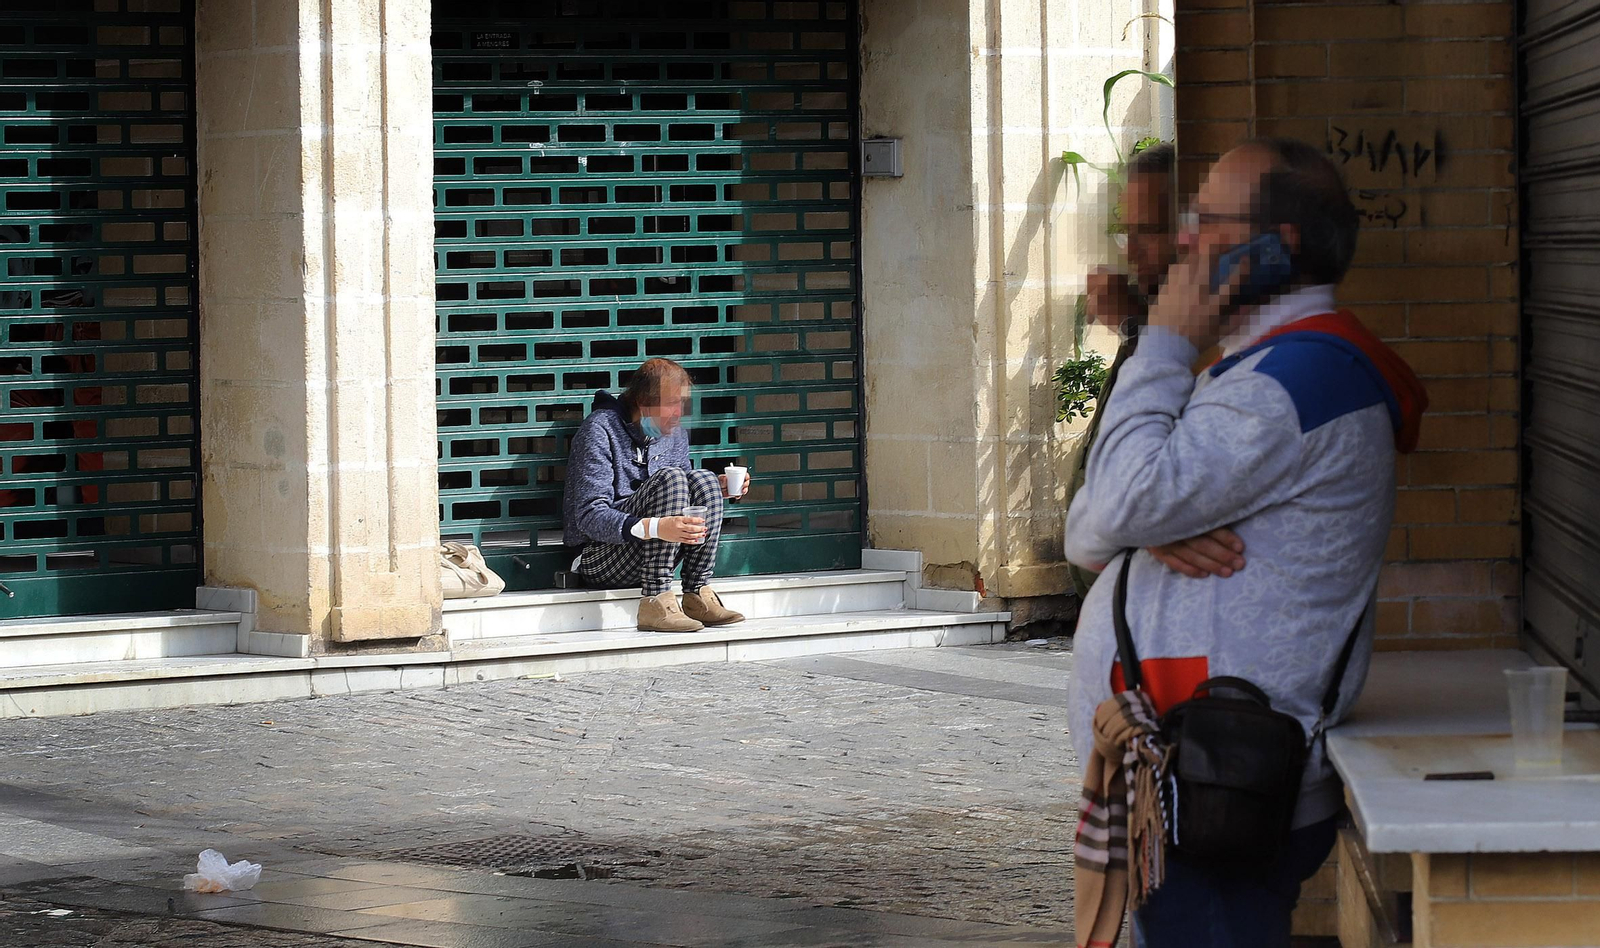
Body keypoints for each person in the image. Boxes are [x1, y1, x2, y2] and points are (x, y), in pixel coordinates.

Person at [1064, 138, 1428, 947]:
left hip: (1218, 780)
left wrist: (1160, 340)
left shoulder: (1296, 380)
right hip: (1189, 777)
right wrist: (1146, 524)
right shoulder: (1248, 373)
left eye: (1204, 221)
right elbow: (1089, 529)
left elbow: (1117, 500)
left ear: (1276, 246)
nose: (1186, 242)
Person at [562, 358, 749, 633]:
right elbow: (590, 516)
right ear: (643, 402)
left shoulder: (672, 435)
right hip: (599, 557)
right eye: (671, 404)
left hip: (651, 555)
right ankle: (656, 599)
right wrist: (657, 527)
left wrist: (720, 489)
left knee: (704, 479)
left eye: (682, 403)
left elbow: (684, 491)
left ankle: (697, 592)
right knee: (672, 479)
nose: (679, 413)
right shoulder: (599, 430)